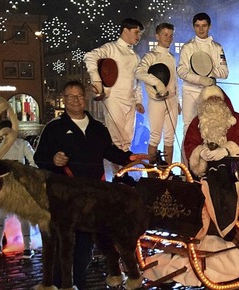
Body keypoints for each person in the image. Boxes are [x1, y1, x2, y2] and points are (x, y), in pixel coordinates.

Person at [34, 80, 147, 289]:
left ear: (84, 98)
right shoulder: (54, 128)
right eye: (70, 96)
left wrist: (129, 158)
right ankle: (59, 284)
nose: (75, 100)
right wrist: (53, 160)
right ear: (64, 99)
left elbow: (110, 152)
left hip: (92, 202)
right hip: (64, 201)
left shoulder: (98, 128)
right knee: (62, 246)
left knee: (84, 247)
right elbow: (39, 158)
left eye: (79, 96)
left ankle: (78, 283)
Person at [84, 18, 145, 154]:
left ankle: (124, 173)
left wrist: (139, 100)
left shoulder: (135, 56)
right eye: (136, 32)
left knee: (128, 139)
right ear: (125, 30)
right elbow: (90, 56)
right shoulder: (111, 48)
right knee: (116, 140)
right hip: (114, 98)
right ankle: (118, 174)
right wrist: (97, 81)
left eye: (140, 34)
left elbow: (137, 80)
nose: (138, 37)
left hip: (131, 100)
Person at [177, 12, 229, 140]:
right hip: (190, 91)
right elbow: (182, 71)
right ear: (193, 27)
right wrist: (200, 79)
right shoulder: (187, 47)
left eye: (204, 25)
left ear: (209, 26)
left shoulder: (217, 47)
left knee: (210, 126)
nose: (201, 29)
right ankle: (187, 159)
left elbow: (225, 72)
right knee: (189, 127)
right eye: (197, 26)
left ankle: (209, 159)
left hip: (210, 92)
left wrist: (209, 73)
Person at [136, 22, 180, 164]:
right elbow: (139, 72)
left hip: (172, 101)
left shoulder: (172, 57)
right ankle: (152, 175)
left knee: (170, 137)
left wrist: (178, 101)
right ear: (157, 36)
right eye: (165, 35)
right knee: (155, 136)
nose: (168, 38)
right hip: (156, 102)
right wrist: (158, 83)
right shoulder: (150, 56)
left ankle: (166, 173)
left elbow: (175, 81)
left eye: (171, 35)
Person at [0, 120, 36, 259]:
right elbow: (34, 161)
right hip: (18, 183)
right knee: (24, 217)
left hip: (2, 184)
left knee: (1, 215)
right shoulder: (22, 143)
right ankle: (27, 248)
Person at [184, 85, 239, 177]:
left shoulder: (237, 119)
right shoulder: (197, 122)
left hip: (231, 171)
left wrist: (226, 150)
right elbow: (189, 143)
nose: (214, 102)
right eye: (210, 99)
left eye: (217, 98)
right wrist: (201, 152)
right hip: (205, 172)